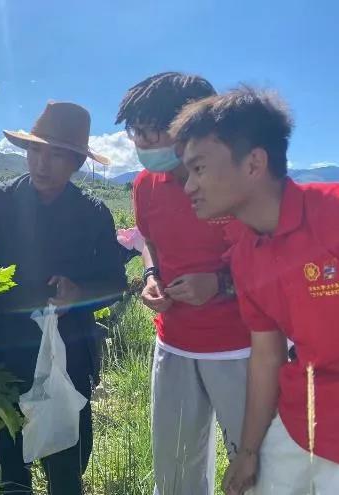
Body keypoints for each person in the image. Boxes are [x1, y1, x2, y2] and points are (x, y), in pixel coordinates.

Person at [170, 87, 339, 495]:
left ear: (254, 163)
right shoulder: (246, 255)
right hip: (297, 421)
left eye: (198, 169)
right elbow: (266, 355)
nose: (188, 187)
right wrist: (248, 451)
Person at [0, 101, 127, 495]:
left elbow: (115, 282)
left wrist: (79, 294)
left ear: (76, 163)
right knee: (9, 473)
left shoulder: (92, 214)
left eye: (56, 155)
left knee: (67, 470)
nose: (41, 163)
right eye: (34, 150)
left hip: (67, 360)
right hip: (0, 362)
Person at [115, 72, 252, 494]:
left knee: (255, 470)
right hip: (173, 343)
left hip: (241, 348)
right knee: (175, 470)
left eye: (152, 132)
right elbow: (150, 241)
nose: (142, 144)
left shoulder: (237, 184)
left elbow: (272, 262)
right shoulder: (145, 185)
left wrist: (220, 284)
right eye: (136, 133)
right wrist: (151, 275)